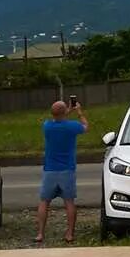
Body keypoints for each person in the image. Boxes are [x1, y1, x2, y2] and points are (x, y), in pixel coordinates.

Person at [36, 96, 88, 245]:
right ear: (64, 111)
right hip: (67, 169)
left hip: (50, 170)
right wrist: (79, 112)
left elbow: (58, 118)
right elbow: (85, 126)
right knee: (69, 202)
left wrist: (66, 111)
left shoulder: (47, 126)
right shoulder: (72, 126)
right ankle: (70, 233)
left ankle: (40, 233)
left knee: (44, 202)